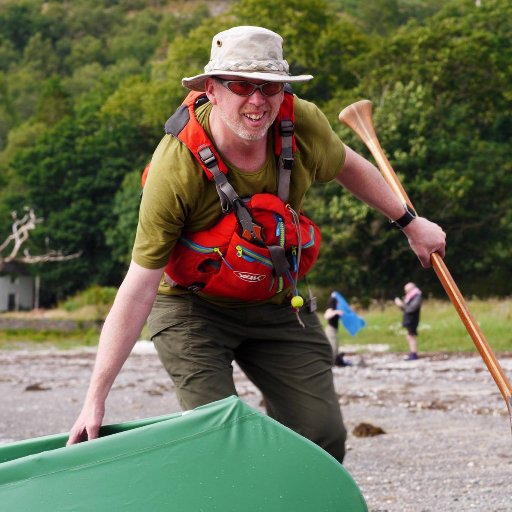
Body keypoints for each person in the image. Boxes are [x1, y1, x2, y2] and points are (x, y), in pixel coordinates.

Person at [66, 26, 446, 464]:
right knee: (219, 437)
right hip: (192, 308)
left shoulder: (300, 122)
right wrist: (95, 398)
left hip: (275, 298)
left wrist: (409, 222)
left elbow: (348, 165)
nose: (257, 100)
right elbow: (138, 287)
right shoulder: (176, 166)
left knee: (321, 435)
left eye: (269, 87)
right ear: (211, 89)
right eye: (242, 85)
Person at [394, 282, 423, 360]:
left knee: (411, 336)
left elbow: (411, 309)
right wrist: (400, 305)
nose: (406, 292)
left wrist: (401, 304)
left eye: (407, 290)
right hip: (409, 319)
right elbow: (406, 309)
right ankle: (412, 352)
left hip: (413, 319)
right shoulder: (410, 296)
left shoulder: (417, 296)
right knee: (409, 337)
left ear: (412, 289)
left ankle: (414, 354)